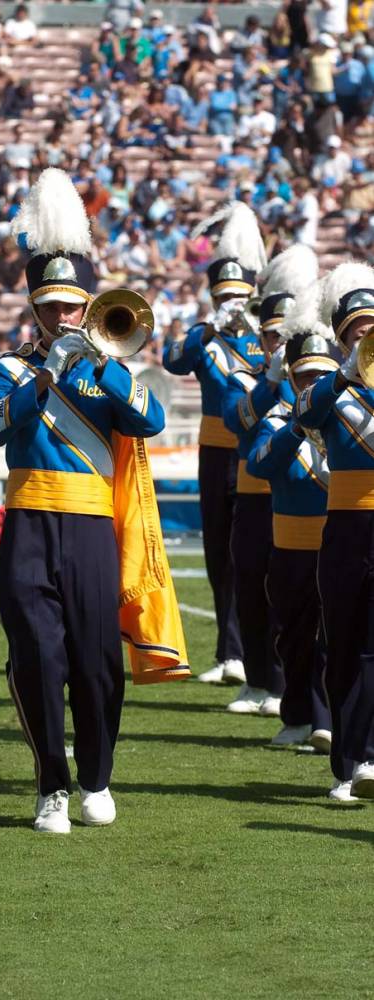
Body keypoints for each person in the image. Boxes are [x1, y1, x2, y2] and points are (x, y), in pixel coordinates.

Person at [0, 169, 187, 834]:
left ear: (89, 307)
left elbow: (150, 420)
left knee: (96, 664)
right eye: (53, 308)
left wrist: (97, 364)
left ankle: (96, 777)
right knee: (37, 656)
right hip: (29, 524)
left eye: (74, 307)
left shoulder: (112, 367)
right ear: (35, 310)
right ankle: (51, 786)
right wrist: (46, 374)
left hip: (95, 528)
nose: (64, 317)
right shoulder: (12, 369)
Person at [163, 203, 271, 688]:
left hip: (254, 451)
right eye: (223, 293)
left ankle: (256, 653)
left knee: (253, 551)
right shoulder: (204, 337)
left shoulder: (265, 336)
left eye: (238, 294)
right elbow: (173, 361)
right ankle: (229, 652)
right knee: (217, 552)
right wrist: (210, 325)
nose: (231, 300)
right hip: (213, 451)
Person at [220, 247, 317, 717]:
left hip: (303, 502)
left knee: (298, 602)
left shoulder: (316, 382)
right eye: (272, 336)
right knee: (251, 589)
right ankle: (259, 680)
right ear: (261, 335)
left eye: (286, 337)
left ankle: (292, 692)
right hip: (256, 499)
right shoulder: (246, 378)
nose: (278, 344)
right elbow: (237, 421)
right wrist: (272, 382)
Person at [245, 273, 337, 751]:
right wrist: (299, 430)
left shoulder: (349, 419)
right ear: (293, 378)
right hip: (288, 550)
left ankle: (325, 719)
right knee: (292, 638)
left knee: (329, 638)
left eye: (323, 376)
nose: (314, 384)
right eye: (306, 376)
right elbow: (259, 465)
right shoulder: (279, 420)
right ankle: (297, 714)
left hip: (335, 543)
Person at [294, 262, 374, 802]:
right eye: (357, 331)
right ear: (343, 337)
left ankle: (367, 757)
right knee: (345, 645)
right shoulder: (330, 388)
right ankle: (347, 764)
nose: (367, 335)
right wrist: (346, 372)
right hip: (346, 528)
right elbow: (304, 414)